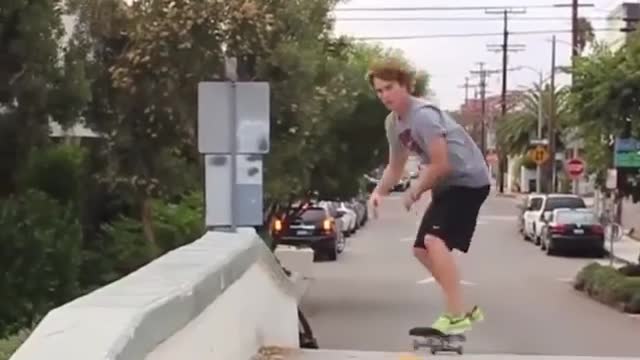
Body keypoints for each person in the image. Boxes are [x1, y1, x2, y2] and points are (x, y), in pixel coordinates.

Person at [367, 58, 491, 335]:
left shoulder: (423, 115)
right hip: (448, 184)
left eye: (389, 88)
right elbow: (396, 166)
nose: (385, 96)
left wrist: (416, 190)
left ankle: (456, 316)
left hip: (468, 180)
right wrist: (379, 192)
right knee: (421, 250)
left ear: (405, 86)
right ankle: (465, 309)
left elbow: (441, 163)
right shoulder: (393, 124)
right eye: (379, 91)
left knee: (434, 241)